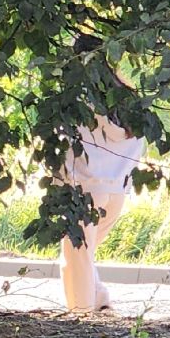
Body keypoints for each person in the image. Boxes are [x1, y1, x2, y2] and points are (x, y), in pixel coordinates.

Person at [58, 37, 145, 313]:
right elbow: (139, 141)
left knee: (78, 257)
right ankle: (99, 299)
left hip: (83, 189)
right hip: (116, 193)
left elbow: (64, 147)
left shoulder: (78, 100)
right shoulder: (129, 98)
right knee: (84, 255)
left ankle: (82, 317)